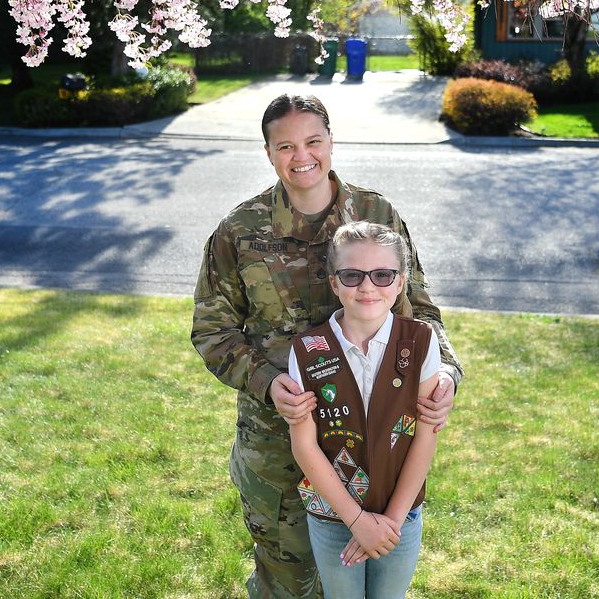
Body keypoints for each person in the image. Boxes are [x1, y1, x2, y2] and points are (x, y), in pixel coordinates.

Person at [192, 94, 463, 599]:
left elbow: (420, 310)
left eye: (313, 141)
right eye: (286, 146)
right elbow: (213, 330)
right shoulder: (239, 232)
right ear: (269, 152)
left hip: (373, 450)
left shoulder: (375, 213)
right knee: (288, 584)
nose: (302, 156)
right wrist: (269, 383)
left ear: (331, 142)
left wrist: (446, 371)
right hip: (279, 443)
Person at [286, 221, 440, 599]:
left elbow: (425, 435)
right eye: (353, 275)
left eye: (383, 274)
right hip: (333, 518)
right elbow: (304, 447)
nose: (368, 287)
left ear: (401, 281)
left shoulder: (420, 341)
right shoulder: (307, 349)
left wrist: (389, 521)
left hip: (400, 514)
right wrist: (356, 521)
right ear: (335, 283)